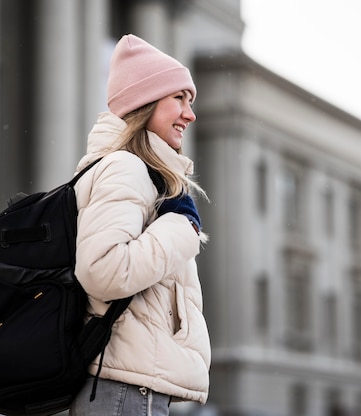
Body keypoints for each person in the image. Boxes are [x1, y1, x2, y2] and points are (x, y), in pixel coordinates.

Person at [70, 34, 211, 416]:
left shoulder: (144, 175)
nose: (190, 113)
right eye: (179, 98)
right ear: (144, 103)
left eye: (191, 100)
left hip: (128, 385)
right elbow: (102, 271)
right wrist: (182, 226)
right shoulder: (125, 167)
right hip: (123, 389)